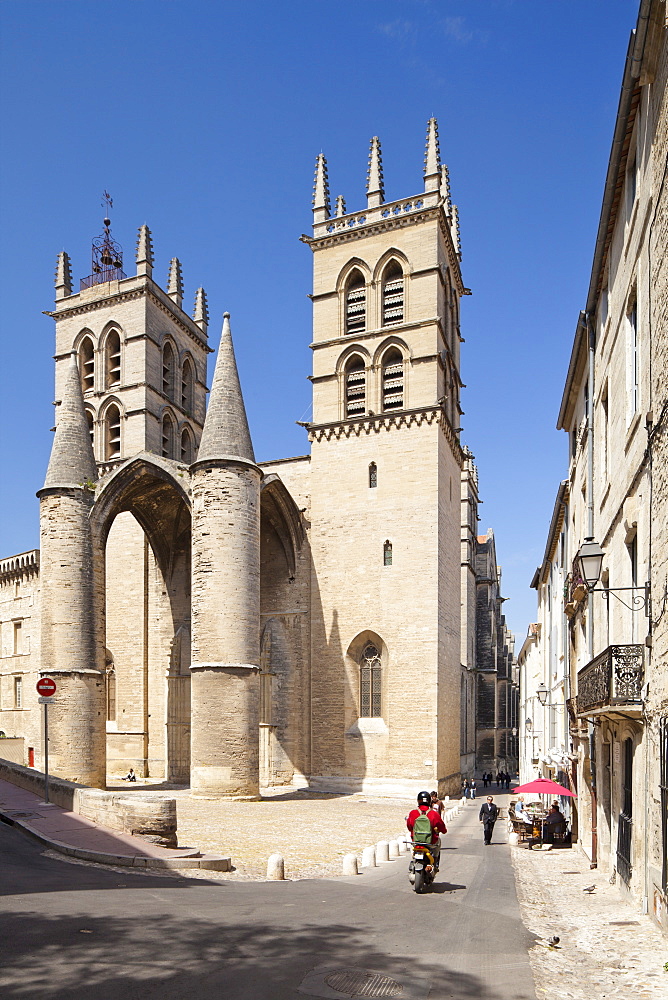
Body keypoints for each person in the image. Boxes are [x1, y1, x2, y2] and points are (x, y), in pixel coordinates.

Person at [407, 790, 447, 870]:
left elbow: (409, 827)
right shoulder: (433, 814)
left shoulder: (413, 813)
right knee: (438, 843)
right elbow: (442, 827)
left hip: (416, 840)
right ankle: (434, 863)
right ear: (429, 801)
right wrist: (443, 831)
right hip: (430, 841)